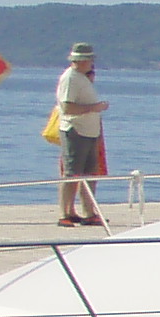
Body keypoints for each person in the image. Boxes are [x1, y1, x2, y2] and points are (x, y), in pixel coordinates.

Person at [55, 42, 107, 226]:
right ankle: (65, 213)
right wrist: (95, 107)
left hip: (90, 132)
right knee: (72, 174)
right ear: (81, 60)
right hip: (75, 131)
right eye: (90, 60)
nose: (92, 63)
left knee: (90, 173)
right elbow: (67, 107)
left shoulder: (81, 77)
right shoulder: (70, 78)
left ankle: (88, 212)